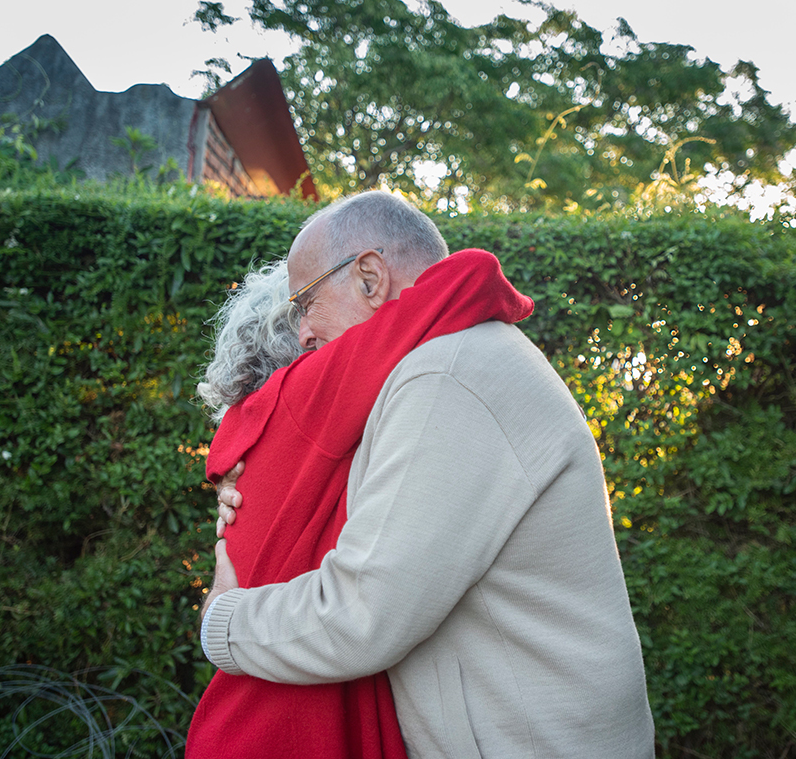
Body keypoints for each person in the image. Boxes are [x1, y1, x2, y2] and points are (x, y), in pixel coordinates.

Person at [202, 191, 656, 758]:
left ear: (369, 277)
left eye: (305, 303)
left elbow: (363, 615)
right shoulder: (455, 360)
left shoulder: (447, 376)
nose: (303, 334)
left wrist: (223, 618)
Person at [186, 259, 407, 759]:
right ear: (302, 346)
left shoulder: (256, 440)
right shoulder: (301, 404)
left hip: (243, 725)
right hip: (291, 733)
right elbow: (411, 317)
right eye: (307, 310)